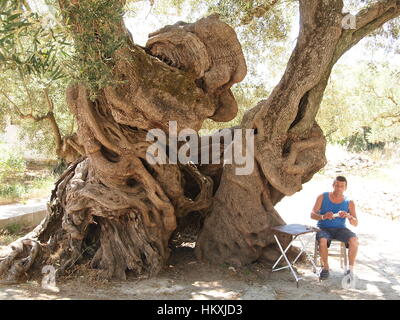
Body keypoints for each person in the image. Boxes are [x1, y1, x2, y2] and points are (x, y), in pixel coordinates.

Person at [310, 176, 358, 280]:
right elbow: (312, 215)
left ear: (345, 187)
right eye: (337, 185)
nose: (339, 188)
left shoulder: (349, 201)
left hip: (340, 229)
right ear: (333, 185)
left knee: (354, 240)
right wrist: (323, 216)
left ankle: (350, 269)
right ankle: (326, 268)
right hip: (323, 228)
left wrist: (348, 216)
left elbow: (355, 223)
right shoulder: (323, 196)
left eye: (342, 186)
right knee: (322, 240)